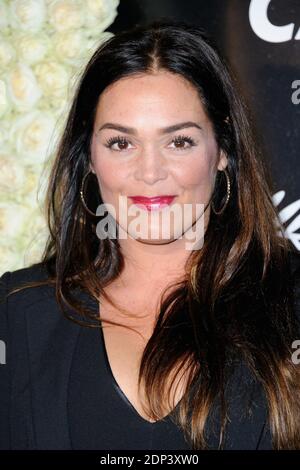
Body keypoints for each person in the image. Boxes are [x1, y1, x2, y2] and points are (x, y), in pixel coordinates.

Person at [0, 19, 300, 451]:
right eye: (122, 143)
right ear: (89, 157)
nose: (150, 172)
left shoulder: (290, 298)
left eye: (178, 142)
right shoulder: (21, 311)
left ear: (223, 152)